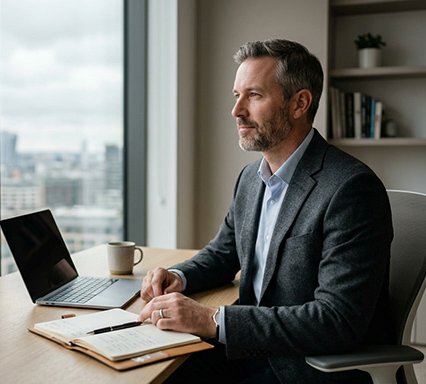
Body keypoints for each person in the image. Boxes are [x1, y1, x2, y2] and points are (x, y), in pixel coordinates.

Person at [137, 39, 394, 383]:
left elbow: (336, 320)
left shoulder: (350, 189)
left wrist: (212, 320)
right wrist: (177, 276)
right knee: (147, 372)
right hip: (245, 348)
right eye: (236, 95)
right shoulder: (251, 178)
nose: (237, 110)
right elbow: (222, 254)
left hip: (300, 366)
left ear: (299, 103)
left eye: (254, 96)